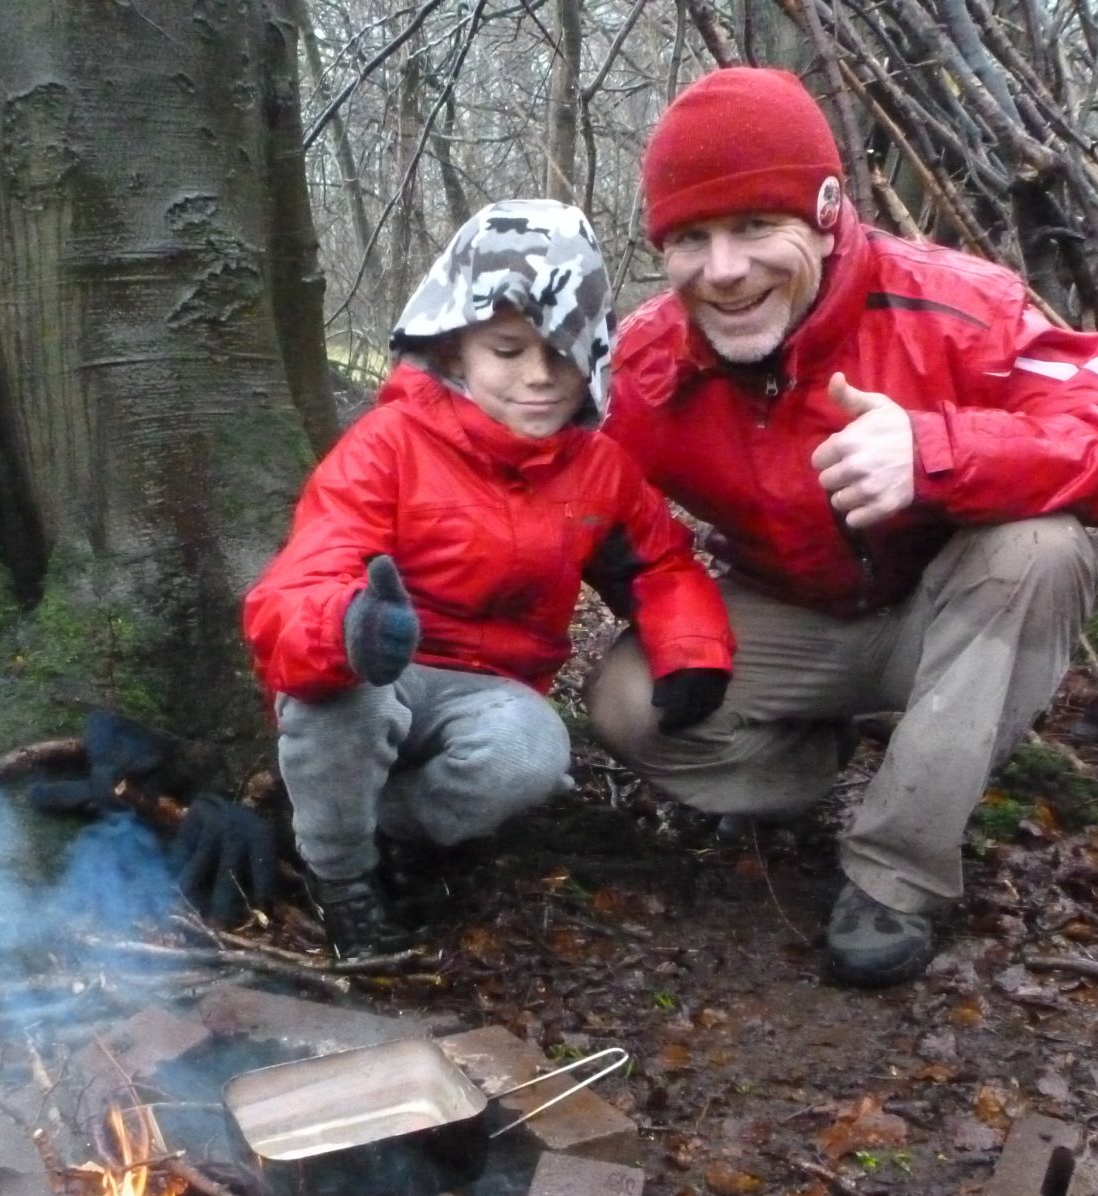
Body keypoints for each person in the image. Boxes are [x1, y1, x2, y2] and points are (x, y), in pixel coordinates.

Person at [585, 68, 1098, 987]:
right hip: (785, 614)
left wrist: (936, 451)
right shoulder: (645, 364)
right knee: (625, 701)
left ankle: (897, 873)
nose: (724, 271)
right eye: (691, 239)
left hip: (948, 617)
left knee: (1045, 548)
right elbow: (543, 489)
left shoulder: (961, 307)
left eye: (755, 227)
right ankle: (809, 765)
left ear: (826, 213)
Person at [243, 200, 735, 957]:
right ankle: (340, 876)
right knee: (335, 704)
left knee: (531, 757)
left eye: (562, 353)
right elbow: (302, 577)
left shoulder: (598, 468)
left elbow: (659, 565)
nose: (538, 377)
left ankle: (380, 825)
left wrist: (692, 650)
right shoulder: (389, 445)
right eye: (507, 350)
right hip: (381, 674)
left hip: (489, 693)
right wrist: (348, 628)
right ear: (454, 348)